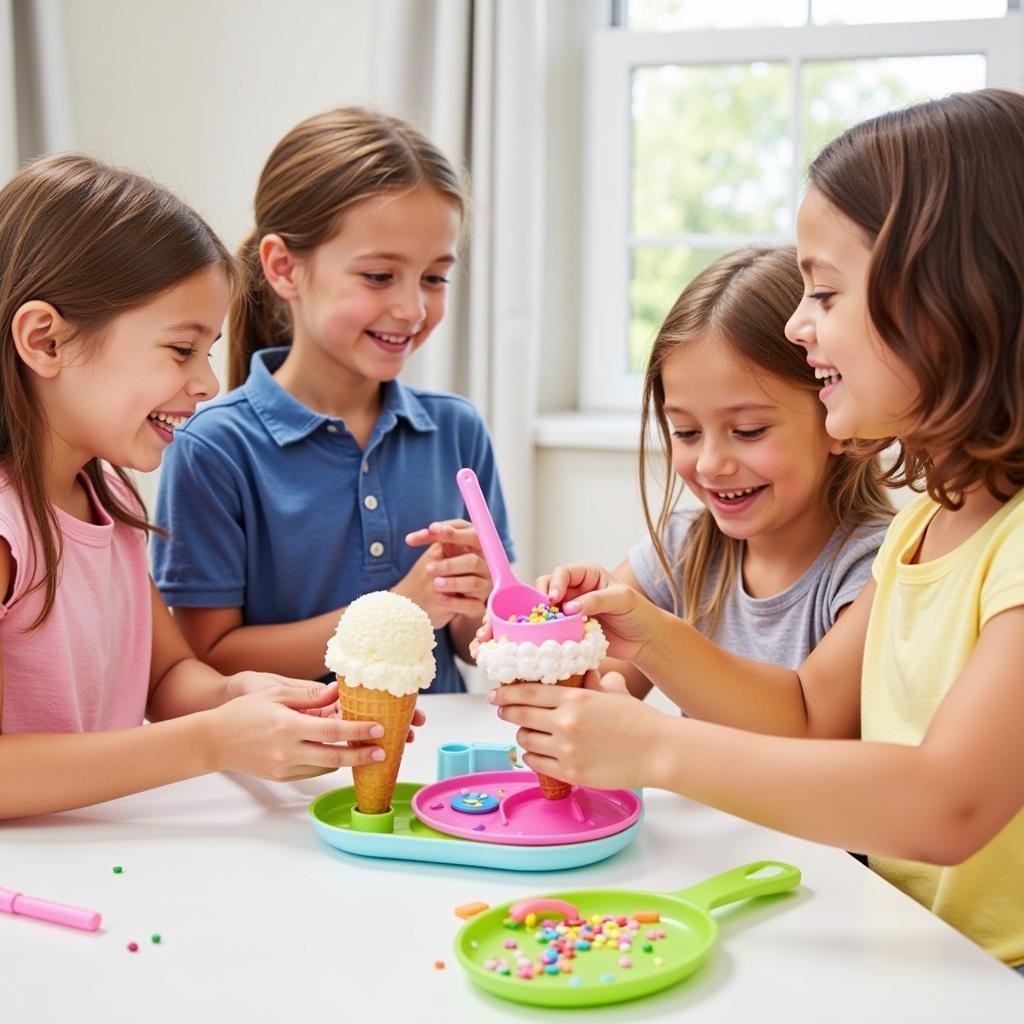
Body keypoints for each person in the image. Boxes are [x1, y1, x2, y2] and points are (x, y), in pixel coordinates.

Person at [492, 89, 1024, 970]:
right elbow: (813, 718)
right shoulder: (927, 522)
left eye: (824, 292)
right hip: (909, 950)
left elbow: (947, 807)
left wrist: (654, 746)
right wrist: (650, 636)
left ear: (947, 301)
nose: (796, 323)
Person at [0, 155, 417, 819]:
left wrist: (245, 700)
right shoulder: (8, 527)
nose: (206, 384)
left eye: (208, 349)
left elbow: (166, 674)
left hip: (100, 856)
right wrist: (211, 742)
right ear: (46, 341)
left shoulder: (108, 491)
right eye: (180, 349)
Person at [152, 107, 511, 694]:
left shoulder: (457, 429)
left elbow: (475, 642)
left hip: (434, 765)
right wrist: (398, 609)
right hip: (288, 772)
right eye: (378, 276)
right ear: (284, 268)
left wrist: (478, 602)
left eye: (434, 278)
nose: (413, 310)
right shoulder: (212, 446)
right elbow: (209, 660)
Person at [569, 246, 890, 706]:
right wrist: (550, 639)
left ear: (836, 413)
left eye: (748, 430)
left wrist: (655, 639)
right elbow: (595, 680)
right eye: (686, 431)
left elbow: (807, 727)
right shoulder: (683, 549)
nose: (710, 464)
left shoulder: (873, 568)